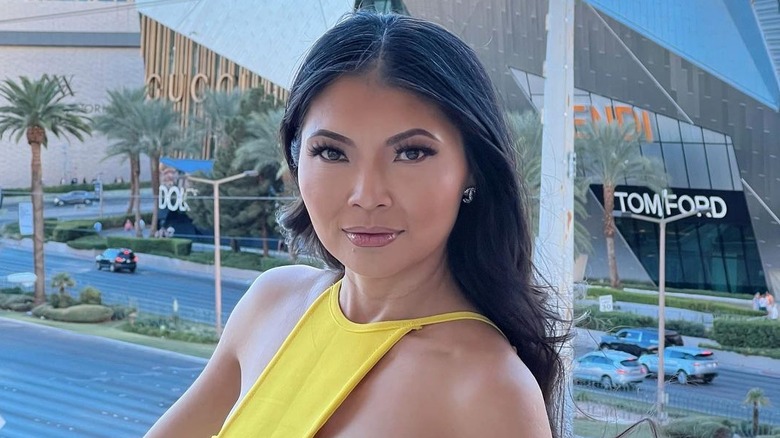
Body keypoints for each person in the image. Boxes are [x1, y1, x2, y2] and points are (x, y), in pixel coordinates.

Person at [145, 11, 566, 438]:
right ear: (296, 159)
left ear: (472, 169)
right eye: (331, 152)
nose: (367, 195)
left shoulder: (489, 391)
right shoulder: (270, 304)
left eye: (412, 153)